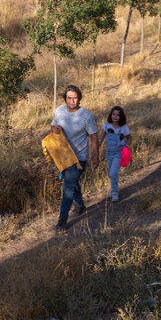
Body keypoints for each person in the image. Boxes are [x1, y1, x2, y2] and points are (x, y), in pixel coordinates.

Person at [51, 85, 99, 231]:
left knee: (68, 186)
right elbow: (53, 126)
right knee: (70, 182)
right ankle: (79, 204)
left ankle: (62, 220)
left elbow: (94, 136)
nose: (72, 101)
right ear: (65, 98)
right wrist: (55, 129)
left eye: (75, 98)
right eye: (69, 98)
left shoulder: (86, 116)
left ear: (79, 98)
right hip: (63, 155)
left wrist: (95, 155)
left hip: (79, 158)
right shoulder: (59, 111)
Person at [98, 106, 132, 202]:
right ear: (111, 115)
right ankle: (113, 190)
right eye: (114, 114)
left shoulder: (124, 128)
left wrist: (127, 146)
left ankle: (115, 193)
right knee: (110, 173)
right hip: (109, 153)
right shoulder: (106, 126)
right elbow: (101, 139)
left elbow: (129, 138)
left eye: (118, 115)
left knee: (114, 172)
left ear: (121, 117)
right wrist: (96, 149)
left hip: (119, 153)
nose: (115, 117)